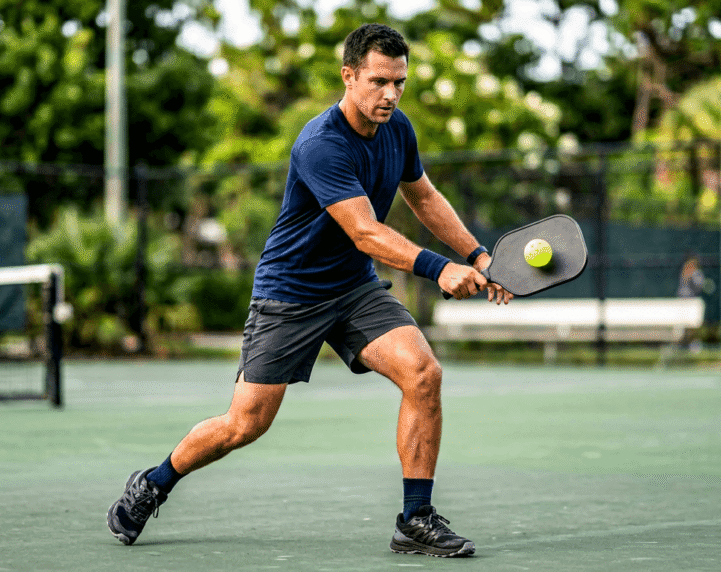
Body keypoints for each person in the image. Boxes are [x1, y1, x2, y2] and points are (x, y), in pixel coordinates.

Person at [107, 23, 512, 558]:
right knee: (244, 424)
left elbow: (423, 196)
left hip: (354, 290)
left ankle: (415, 519)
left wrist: (479, 254)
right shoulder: (320, 144)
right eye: (378, 81)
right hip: (289, 295)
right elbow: (365, 231)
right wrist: (439, 268)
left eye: (400, 82)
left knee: (423, 373)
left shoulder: (399, 130)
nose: (390, 93)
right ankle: (155, 482)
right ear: (348, 76)